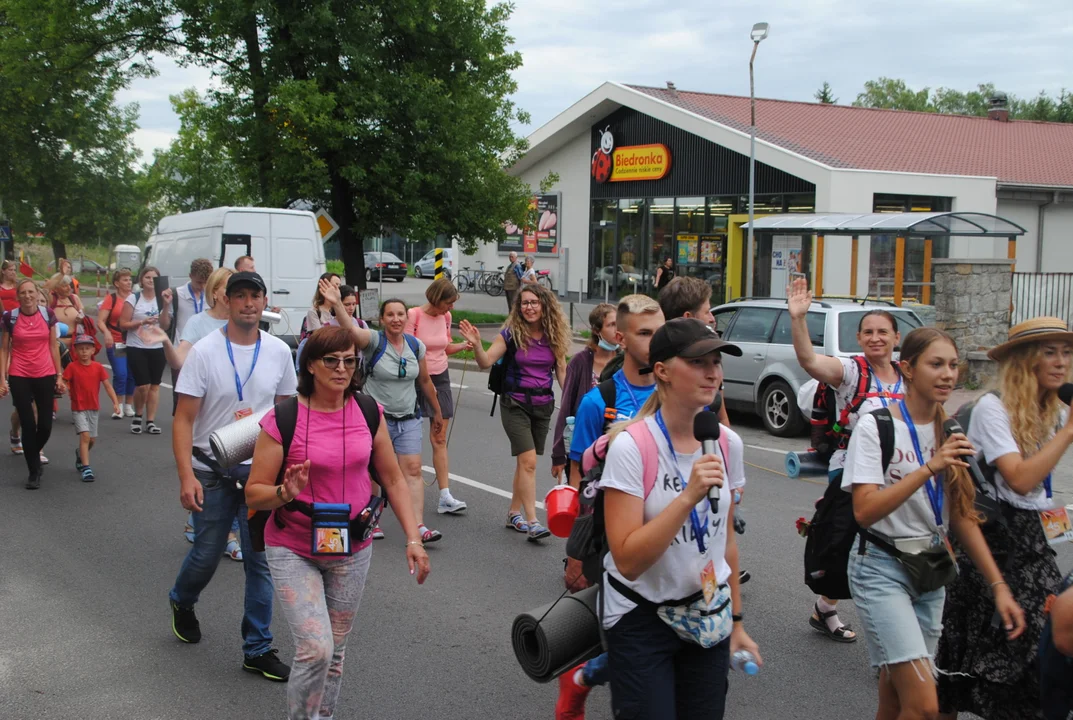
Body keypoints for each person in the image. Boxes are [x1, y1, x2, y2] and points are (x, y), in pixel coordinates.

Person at [246, 326, 431, 720]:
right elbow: (253, 492)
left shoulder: (367, 411)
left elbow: (393, 478)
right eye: (331, 360)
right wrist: (285, 492)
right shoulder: (283, 418)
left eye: (350, 360)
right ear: (310, 365)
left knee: (336, 651)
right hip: (293, 546)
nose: (342, 368)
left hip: (351, 547)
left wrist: (413, 538)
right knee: (316, 647)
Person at [843, 327, 1025, 720]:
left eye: (954, 365)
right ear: (907, 369)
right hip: (880, 566)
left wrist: (999, 587)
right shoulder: (876, 426)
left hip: (930, 568)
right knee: (926, 705)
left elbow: (961, 517)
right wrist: (929, 467)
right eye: (936, 364)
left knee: (895, 698)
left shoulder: (953, 429)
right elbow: (864, 511)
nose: (947, 374)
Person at [597, 318, 759, 719]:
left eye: (716, 362)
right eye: (699, 362)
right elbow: (628, 562)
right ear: (663, 371)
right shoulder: (632, 446)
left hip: (706, 612)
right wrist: (687, 497)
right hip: (641, 615)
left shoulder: (727, 443)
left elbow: (726, 544)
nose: (713, 373)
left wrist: (736, 622)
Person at [936, 317, 1073, 720]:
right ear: (1023, 361)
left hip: (1033, 543)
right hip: (991, 542)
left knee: (1040, 653)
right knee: (963, 665)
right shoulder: (992, 409)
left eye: (1066, 352)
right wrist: (1068, 433)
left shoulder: (1053, 411)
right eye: (1049, 352)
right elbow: (1019, 479)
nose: (1061, 361)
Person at [168, 270, 295, 682]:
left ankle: (257, 648)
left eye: (254, 296)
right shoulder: (204, 351)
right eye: (239, 296)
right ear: (227, 301)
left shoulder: (278, 351)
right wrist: (186, 476)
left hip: (259, 472)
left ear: (263, 301)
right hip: (211, 470)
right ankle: (182, 600)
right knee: (205, 555)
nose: (248, 303)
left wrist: (289, 468)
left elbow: (287, 413)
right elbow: (184, 419)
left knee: (259, 562)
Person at [556, 295, 664, 719]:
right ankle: (582, 677)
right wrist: (577, 553)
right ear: (619, 337)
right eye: (645, 333)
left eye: (661, 331)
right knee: (634, 637)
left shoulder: (679, 390)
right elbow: (581, 482)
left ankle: (586, 675)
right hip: (615, 538)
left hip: (671, 533)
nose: (657, 342)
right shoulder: (597, 401)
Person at [788, 276, 905, 643]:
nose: (875, 338)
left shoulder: (907, 376)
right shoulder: (852, 371)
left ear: (896, 338)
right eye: (867, 332)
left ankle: (828, 609)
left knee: (894, 545)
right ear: (859, 338)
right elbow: (809, 360)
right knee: (847, 543)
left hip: (897, 473)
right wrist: (798, 318)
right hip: (852, 471)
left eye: (882, 331)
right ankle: (834, 610)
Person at [329, 284, 446, 542]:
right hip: (375, 419)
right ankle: (373, 519)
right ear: (382, 319)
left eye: (400, 314)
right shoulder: (373, 341)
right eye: (390, 314)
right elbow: (350, 330)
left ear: (407, 318)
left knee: (413, 469)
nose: (396, 319)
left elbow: (425, 381)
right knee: (373, 471)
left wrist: (436, 412)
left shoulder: (416, 346)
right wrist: (337, 304)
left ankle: (418, 526)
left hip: (409, 417)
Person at [142, 267, 243, 557]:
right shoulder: (199, 323)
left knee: (236, 471)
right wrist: (163, 339)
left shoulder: (247, 321)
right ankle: (227, 534)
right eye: (229, 287)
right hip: (208, 410)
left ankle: (207, 523)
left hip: (239, 412)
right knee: (220, 470)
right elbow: (177, 361)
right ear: (215, 292)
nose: (237, 293)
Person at [458, 283, 569, 541]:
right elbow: (485, 361)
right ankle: (532, 521)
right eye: (524, 303)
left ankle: (513, 513)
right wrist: (476, 344)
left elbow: (562, 370)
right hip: (515, 403)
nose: (529, 307)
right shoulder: (511, 334)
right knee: (528, 461)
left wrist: (574, 402)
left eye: (534, 302)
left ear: (544, 305)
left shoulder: (555, 335)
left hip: (542, 405)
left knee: (525, 463)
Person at [405, 277, 470, 515]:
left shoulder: (446, 317)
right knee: (404, 434)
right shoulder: (414, 315)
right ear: (436, 298)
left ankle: (445, 496)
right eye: (448, 302)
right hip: (414, 378)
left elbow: (444, 347)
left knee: (439, 437)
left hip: (440, 376)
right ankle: (399, 487)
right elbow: (404, 348)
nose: (451, 307)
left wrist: (464, 346)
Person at [0, 278, 66, 489]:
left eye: (31, 292)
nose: (27, 296)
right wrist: (2, 378)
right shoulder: (10, 317)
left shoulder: (48, 315)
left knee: (45, 425)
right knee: (28, 423)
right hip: (19, 374)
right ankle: (33, 471)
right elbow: (4, 349)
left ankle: (32, 453)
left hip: (45, 373)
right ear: (18, 296)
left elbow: (54, 346)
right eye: (23, 293)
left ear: (37, 294)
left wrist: (59, 375)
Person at [551, 303, 617, 481]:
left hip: (614, 445)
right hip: (583, 445)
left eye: (619, 324)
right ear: (597, 330)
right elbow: (566, 408)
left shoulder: (624, 361)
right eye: (611, 325)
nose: (617, 330)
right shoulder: (580, 362)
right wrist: (558, 454)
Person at [119, 266, 172, 435]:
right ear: (141, 280)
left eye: (154, 278)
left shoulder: (162, 299)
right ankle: (138, 415)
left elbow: (165, 325)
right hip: (137, 346)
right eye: (147, 277)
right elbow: (123, 324)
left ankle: (150, 421)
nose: (150, 280)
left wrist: (165, 306)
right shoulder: (133, 298)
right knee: (143, 385)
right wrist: (141, 322)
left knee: (154, 386)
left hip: (157, 346)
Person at [63, 334, 120, 482]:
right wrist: (62, 386)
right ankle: (86, 468)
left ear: (93, 350)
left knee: (92, 440)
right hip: (78, 407)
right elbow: (64, 381)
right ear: (75, 350)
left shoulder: (98, 367)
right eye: (80, 349)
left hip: (93, 407)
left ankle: (80, 454)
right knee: (85, 436)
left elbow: (108, 386)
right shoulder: (72, 367)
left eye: (87, 349)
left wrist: (115, 403)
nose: (84, 352)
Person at [170, 258, 213, 405]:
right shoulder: (177, 294)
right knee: (183, 399)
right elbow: (165, 323)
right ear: (190, 276)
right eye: (198, 282)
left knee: (206, 399)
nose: (202, 286)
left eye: (205, 282)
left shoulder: (212, 296)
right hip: (182, 353)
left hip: (206, 354)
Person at [97, 268, 137, 418]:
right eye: (125, 280)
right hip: (117, 340)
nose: (129, 282)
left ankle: (128, 405)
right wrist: (107, 333)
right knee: (121, 373)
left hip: (133, 341)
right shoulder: (111, 299)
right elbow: (100, 321)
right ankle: (118, 405)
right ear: (117, 283)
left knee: (132, 374)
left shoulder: (135, 298)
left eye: (129, 279)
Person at [48, 273, 83, 341]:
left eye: (69, 285)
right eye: (64, 286)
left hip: (75, 342)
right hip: (57, 343)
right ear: (56, 289)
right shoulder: (50, 299)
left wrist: (81, 319)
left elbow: (82, 314)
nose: (69, 288)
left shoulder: (74, 298)